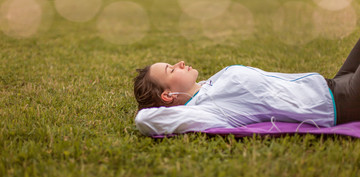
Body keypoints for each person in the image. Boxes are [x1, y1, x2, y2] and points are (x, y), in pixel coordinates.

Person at [133, 37, 360, 136]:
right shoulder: (206, 111)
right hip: (343, 103)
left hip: (332, 82)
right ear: (167, 95)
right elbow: (145, 121)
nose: (179, 63)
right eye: (171, 70)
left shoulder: (208, 86)